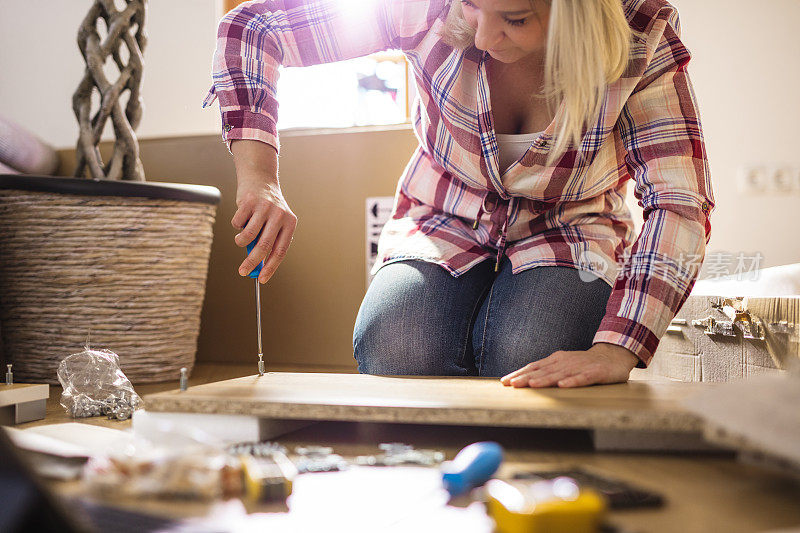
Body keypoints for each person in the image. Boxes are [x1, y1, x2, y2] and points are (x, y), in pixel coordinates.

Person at [202, 0, 715, 388]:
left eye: (515, 17)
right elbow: (253, 28)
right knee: (397, 345)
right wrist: (260, 176)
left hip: (571, 227)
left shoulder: (639, 35)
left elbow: (679, 202)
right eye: (471, 3)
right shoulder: (423, 6)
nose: (485, 36)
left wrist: (618, 348)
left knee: (531, 352)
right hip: (443, 214)